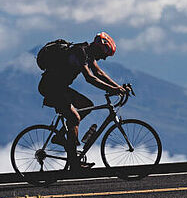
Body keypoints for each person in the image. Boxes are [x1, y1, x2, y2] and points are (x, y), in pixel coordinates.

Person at [38, 32, 125, 170]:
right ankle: (74, 163)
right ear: (98, 48)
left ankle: (61, 136)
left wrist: (117, 87)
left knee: (87, 105)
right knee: (74, 117)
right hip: (51, 87)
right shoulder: (80, 52)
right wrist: (112, 89)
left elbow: (99, 73)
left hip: (60, 87)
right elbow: (90, 78)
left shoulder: (88, 53)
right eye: (104, 55)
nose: (103, 59)